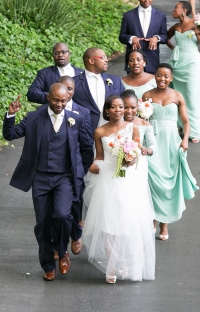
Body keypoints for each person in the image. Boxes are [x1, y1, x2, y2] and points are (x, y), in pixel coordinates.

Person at [2, 84, 94, 281]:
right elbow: (10, 135)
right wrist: (10, 115)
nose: (60, 104)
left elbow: (87, 149)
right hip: (41, 178)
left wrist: (79, 173)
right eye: (55, 100)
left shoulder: (76, 119)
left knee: (62, 215)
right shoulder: (34, 118)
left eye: (63, 100)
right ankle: (47, 264)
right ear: (48, 98)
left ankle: (62, 252)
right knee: (43, 223)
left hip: (65, 178)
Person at [82, 95, 155, 284]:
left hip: (128, 179)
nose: (118, 110)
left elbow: (136, 153)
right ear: (107, 110)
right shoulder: (99, 131)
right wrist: (93, 166)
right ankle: (111, 266)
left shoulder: (133, 128)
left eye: (121, 107)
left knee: (126, 221)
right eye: (113, 107)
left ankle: (124, 260)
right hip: (107, 180)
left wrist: (129, 160)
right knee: (108, 224)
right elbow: (99, 156)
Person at [142, 64, 199, 241]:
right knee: (151, 181)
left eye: (166, 76)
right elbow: (142, 120)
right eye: (159, 75)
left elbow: (186, 122)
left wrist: (184, 140)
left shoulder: (177, 95)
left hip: (173, 142)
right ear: (155, 77)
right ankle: (152, 219)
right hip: (153, 141)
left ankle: (164, 224)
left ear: (171, 78)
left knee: (170, 184)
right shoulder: (147, 95)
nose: (162, 79)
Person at [57, 75, 91, 254]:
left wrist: (82, 169)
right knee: (59, 210)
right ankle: (57, 243)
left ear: (74, 90)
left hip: (75, 169)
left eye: (69, 88)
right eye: (63, 87)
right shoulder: (48, 110)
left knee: (75, 205)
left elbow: (86, 145)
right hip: (55, 170)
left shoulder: (82, 112)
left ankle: (76, 234)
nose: (67, 91)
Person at [166, 1, 200, 142]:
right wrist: (175, 49)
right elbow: (166, 38)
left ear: (184, 10)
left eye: (175, 7)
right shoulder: (176, 26)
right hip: (177, 63)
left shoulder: (196, 23)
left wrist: (198, 34)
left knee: (192, 97)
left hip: (192, 64)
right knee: (177, 96)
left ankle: (195, 131)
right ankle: (181, 125)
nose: (173, 10)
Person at [118, 0, 168, 74]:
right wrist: (131, 38)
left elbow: (164, 36)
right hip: (133, 63)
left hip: (152, 62)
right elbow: (121, 36)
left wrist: (157, 38)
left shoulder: (161, 16)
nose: (146, 0)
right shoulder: (128, 16)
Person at [72, 48, 125, 129]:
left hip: (113, 130)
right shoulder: (74, 83)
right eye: (103, 57)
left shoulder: (116, 80)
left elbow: (125, 103)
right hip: (85, 130)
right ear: (91, 61)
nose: (106, 60)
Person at [121, 89, 157, 157]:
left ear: (137, 107)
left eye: (133, 107)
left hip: (138, 160)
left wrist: (147, 150)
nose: (129, 111)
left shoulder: (144, 124)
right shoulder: (116, 122)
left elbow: (153, 145)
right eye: (125, 107)